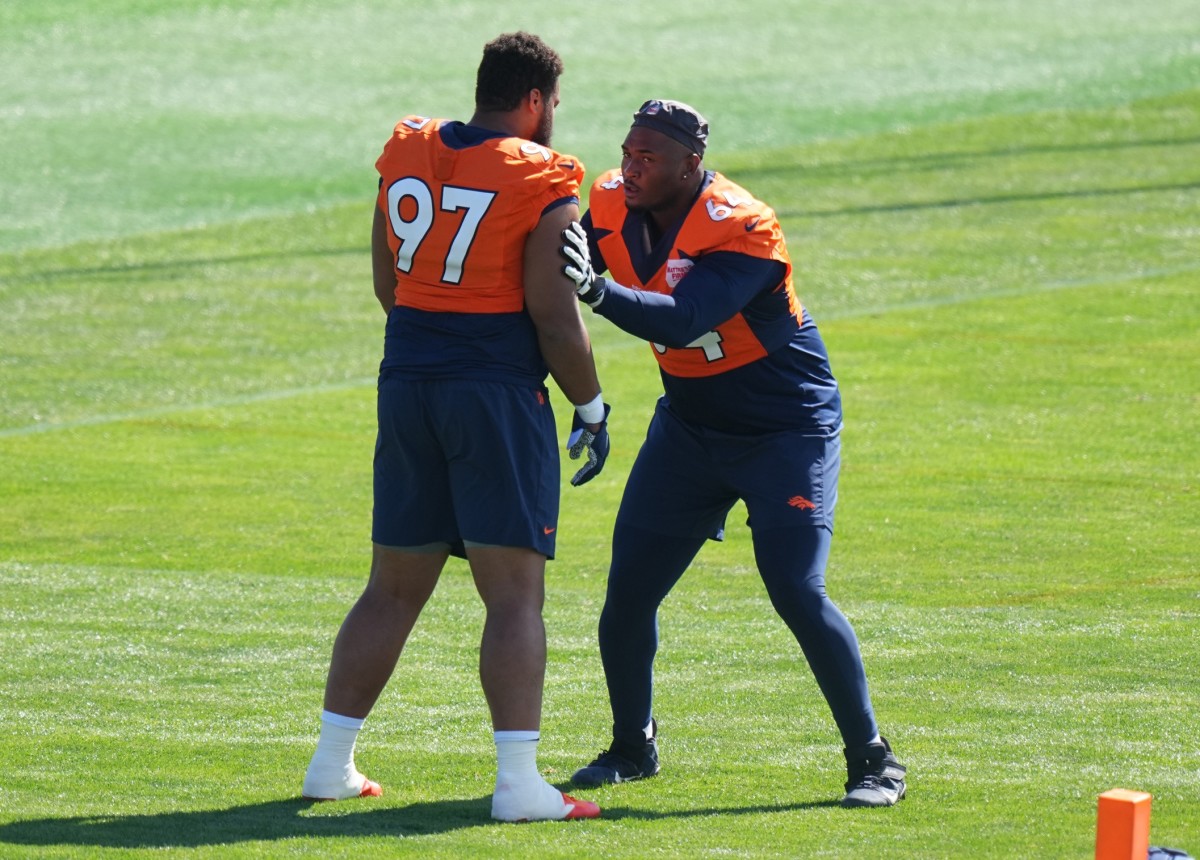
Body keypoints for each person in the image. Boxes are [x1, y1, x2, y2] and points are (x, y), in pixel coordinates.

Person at [558, 99, 907, 807]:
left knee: (797, 591)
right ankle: (633, 745)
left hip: (784, 430)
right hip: (690, 426)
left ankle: (873, 758)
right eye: (627, 151)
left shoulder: (741, 222)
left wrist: (596, 289)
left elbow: (686, 320)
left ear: (692, 165)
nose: (630, 167)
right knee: (627, 596)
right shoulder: (606, 201)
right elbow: (555, 276)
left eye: (648, 157)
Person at [301, 32, 611, 823]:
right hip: (495, 393)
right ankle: (518, 785)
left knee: (392, 585)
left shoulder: (408, 146)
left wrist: (432, 351)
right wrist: (591, 402)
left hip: (406, 381)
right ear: (536, 100)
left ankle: (330, 764)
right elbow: (552, 310)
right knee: (513, 595)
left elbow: (387, 279)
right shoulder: (546, 174)